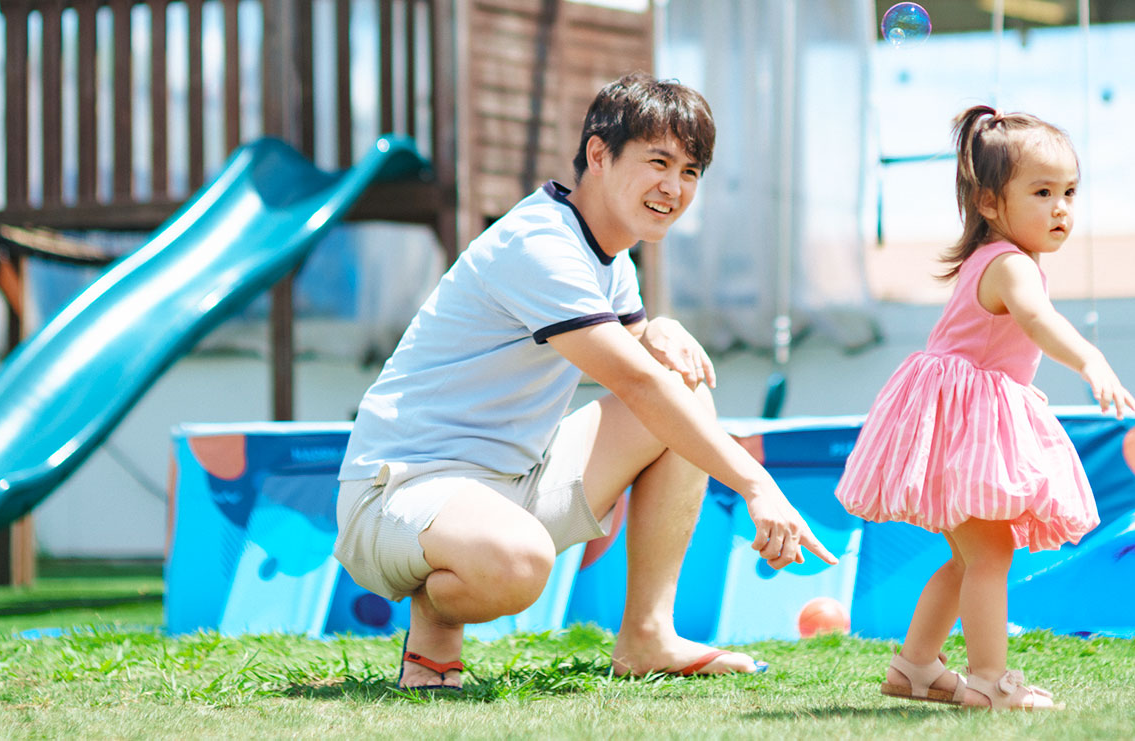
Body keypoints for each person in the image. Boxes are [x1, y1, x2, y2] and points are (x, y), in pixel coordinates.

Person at [336, 71, 836, 692]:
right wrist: (758, 487)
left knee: (685, 389)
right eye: (658, 162)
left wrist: (659, 329)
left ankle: (648, 637)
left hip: (508, 483)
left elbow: (645, 366)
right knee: (520, 561)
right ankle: (435, 629)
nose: (674, 187)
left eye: (690, 172)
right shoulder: (539, 243)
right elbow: (637, 384)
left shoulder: (611, 255)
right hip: (400, 491)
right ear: (598, 155)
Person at [835, 105, 1135, 711]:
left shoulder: (999, 259)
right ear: (990, 203)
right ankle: (989, 680)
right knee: (989, 555)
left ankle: (916, 666)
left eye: (1069, 192)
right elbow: (1037, 320)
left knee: (970, 556)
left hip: (955, 422)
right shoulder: (1010, 265)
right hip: (960, 424)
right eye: (1042, 192)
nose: (1061, 208)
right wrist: (1090, 360)